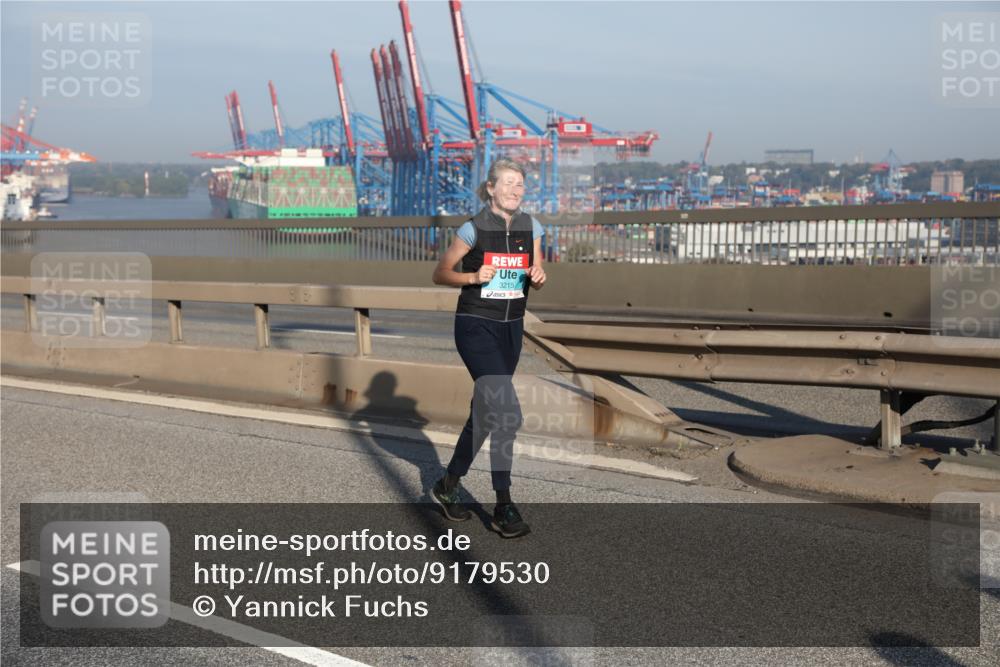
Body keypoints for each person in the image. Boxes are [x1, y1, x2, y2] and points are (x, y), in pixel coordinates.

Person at [430, 158, 546, 538]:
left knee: (486, 412)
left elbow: (538, 273)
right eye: (509, 183)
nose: (516, 190)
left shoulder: (533, 227)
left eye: (521, 185)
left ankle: (447, 485)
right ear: (491, 188)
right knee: (508, 412)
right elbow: (440, 272)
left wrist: (539, 276)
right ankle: (503, 506)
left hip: (511, 329)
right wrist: (471, 275)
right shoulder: (473, 228)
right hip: (476, 326)